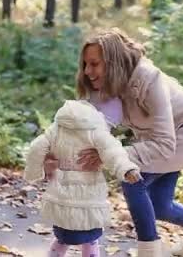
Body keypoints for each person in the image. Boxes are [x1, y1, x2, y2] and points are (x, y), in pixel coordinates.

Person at [47, 28, 183, 257]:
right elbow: (83, 124)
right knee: (158, 204)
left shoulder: (149, 79)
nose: (88, 71)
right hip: (154, 139)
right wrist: (55, 150)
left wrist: (110, 155)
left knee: (131, 178)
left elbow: (165, 144)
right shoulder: (106, 85)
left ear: (113, 62)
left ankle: (149, 250)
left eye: (94, 64)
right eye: (86, 64)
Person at [24, 99, 143, 257]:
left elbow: (36, 148)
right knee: (90, 237)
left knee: (63, 236)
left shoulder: (57, 128)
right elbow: (112, 151)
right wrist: (126, 169)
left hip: (62, 188)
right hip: (90, 189)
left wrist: (33, 172)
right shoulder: (96, 130)